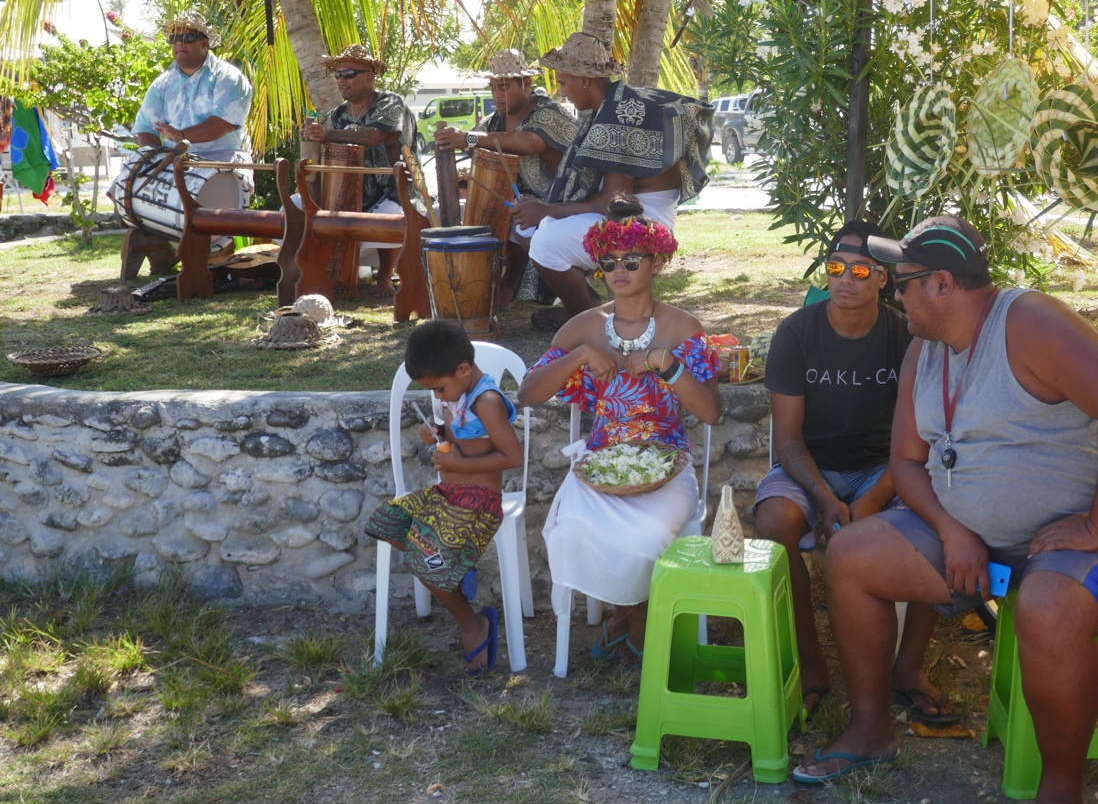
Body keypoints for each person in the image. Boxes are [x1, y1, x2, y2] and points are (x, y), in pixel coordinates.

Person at [794, 216, 1098, 804]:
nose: (896, 296)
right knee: (851, 556)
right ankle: (870, 730)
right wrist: (952, 529)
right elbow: (906, 462)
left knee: (1045, 607)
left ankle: (1059, 799)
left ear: (942, 284)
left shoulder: (1028, 321)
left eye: (903, 283)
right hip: (977, 540)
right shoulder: (924, 349)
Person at [755, 220, 954, 723]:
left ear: (884, 278)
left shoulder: (907, 337)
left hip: (883, 468)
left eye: (861, 270)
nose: (845, 279)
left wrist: (872, 499)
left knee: (937, 518)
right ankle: (811, 662)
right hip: (810, 467)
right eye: (836, 267)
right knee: (775, 522)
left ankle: (907, 669)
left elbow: (918, 441)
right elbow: (787, 440)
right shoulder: (796, 333)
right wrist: (824, 497)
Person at [518, 194, 722, 665]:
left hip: (666, 468)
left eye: (632, 259)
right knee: (571, 529)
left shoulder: (682, 327)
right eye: (608, 262)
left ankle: (629, 621)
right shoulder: (583, 327)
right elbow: (528, 394)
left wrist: (666, 364)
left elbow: (711, 412)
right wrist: (580, 356)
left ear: (657, 261)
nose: (619, 270)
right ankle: (635, 619)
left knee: (645, 539)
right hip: (601, 467)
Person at [511, 32, 714, 333]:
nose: (562, 92)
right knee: (531, 229)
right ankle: (589, 311)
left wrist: (545, 211)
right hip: (630, 211)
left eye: (564, 83)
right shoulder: (615, 104)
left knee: (545, 242)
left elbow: (611, 203)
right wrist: (544, 212)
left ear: (584, 79)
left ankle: (588, 318)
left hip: (642, 220)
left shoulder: (620, 114)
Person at [364, 320, 524, 673]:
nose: (437, 396)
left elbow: (513, 456)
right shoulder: (457, 394)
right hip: (447, 495)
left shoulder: (486, 401)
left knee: (429, 561)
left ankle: (472, 624)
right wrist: (435, 432)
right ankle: (454, 565)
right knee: (386, 521)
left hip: (477, 503)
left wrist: (459, 464)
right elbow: (458, 435)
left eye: (438, 388)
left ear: (463, 370)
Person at [434, 49, 578, 306]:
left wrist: (467, 138)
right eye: (493, 88)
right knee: (449, 213)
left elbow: (529, 142)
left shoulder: (548, 112)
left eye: (504, 87)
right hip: (516, 203)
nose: (497, 95)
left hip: (561, 205)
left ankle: (575, 296)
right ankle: (470, 286)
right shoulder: (492, 123)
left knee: (521, 223)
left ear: (527, 84)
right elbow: (475, 151)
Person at [298, 44, 418, 297]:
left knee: (389, 215)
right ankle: (308, 272)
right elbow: (319, 151)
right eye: (338, 74)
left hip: (394, 190)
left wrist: (326, 134)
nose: (342, 80)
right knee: (295, 205)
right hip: (347, 192)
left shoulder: (390, 103)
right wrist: (310, 136)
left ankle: (384, 276)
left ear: (370, 75)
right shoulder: (335, 115)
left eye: (349, 74)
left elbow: (372, 136)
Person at [111, 10, 254, 209]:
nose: (180, 43)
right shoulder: (162, 84)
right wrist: (155, 160)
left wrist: (182, 135)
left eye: (188, 38)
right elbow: (146, 128)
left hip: (221, 161)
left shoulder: (229, 77)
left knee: (203, 210)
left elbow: (224, 123)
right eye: (175, 38)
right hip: (174, 161)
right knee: (122, 187)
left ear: (204, 44)